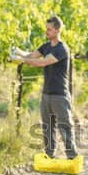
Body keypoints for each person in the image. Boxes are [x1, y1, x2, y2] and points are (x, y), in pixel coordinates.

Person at [10, 16, 78, 160]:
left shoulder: (62, 49)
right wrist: (17, 51)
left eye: (49, 29)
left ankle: (72, 156)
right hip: (46, 94)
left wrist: (22, 61)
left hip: (60, 95)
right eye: (46, 29)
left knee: (65, 126)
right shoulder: (46, 46)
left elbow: (43, 62)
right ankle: (50, 154)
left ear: (58, 30)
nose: (46, 32)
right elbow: (30, 55)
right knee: (47, 127)